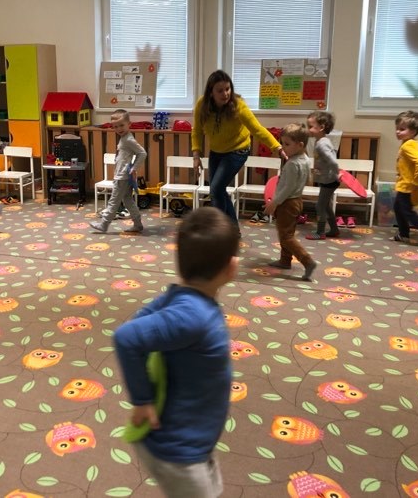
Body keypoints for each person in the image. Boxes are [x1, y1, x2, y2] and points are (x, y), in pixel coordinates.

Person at [114, 207, 239, 498]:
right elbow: (126, 337)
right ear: (231, 266)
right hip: (179, 449)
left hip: (195, 438)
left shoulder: (184, 300)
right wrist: (142, 400)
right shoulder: (193, 315)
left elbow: (140, 322)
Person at [192, 70, 282, 227]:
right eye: (220, 90)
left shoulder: (238, 105)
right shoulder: (202, 105)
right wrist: (196, 156)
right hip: (216, 152)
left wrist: (277, 147)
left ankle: (220, 229)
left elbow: (257, 129)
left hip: (237, 151)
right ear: (211, 92)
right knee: (217, 190)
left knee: (216, 189)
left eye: (228, 89)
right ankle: (233, 230)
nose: (225, 94)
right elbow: (197, 131)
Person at [263, 123, 317, 281]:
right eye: (282, 143)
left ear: (300, 145)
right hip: (297, 200)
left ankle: (308, 261)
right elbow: (307, 179)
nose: (283, 147)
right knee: (287, 233)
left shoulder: (293, 164)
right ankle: (285, 260)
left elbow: (287, 188)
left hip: (287, 203)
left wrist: (274, 203)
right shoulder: (305, 159)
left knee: (286, 237)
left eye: (287, 144)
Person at [90, 109, 146, 234]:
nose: (119, 129)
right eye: (115, 127)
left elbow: (142, 153)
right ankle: (138, 224)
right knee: (128, 200)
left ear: (129, 124)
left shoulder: (128, 139)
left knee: (114, 201)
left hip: (122, 176)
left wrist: (134, 167)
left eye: (121, 125)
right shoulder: (124, 138)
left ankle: (104, 224)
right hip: (123, 175)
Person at [391, 110, 418, 246]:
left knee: (407, 211)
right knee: (398, 208)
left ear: (413, 131)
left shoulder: (407, 146)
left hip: (407, 185)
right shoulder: (412, 143)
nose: (398, 132)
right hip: (406, 184)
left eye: (402, 129)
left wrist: (416, 180)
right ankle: (404, 234)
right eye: (397, 128)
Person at [305, 111, 340, 240]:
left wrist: (337, 172)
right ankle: (334, 229)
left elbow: (333, 161)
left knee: (320, 205)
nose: (308, 129)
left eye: (311, 126)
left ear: (321, 127)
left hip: (329, 180)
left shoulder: (322, 144)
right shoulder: (321, 141)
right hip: (327, 179)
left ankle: (320, 232)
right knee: (325, 205)